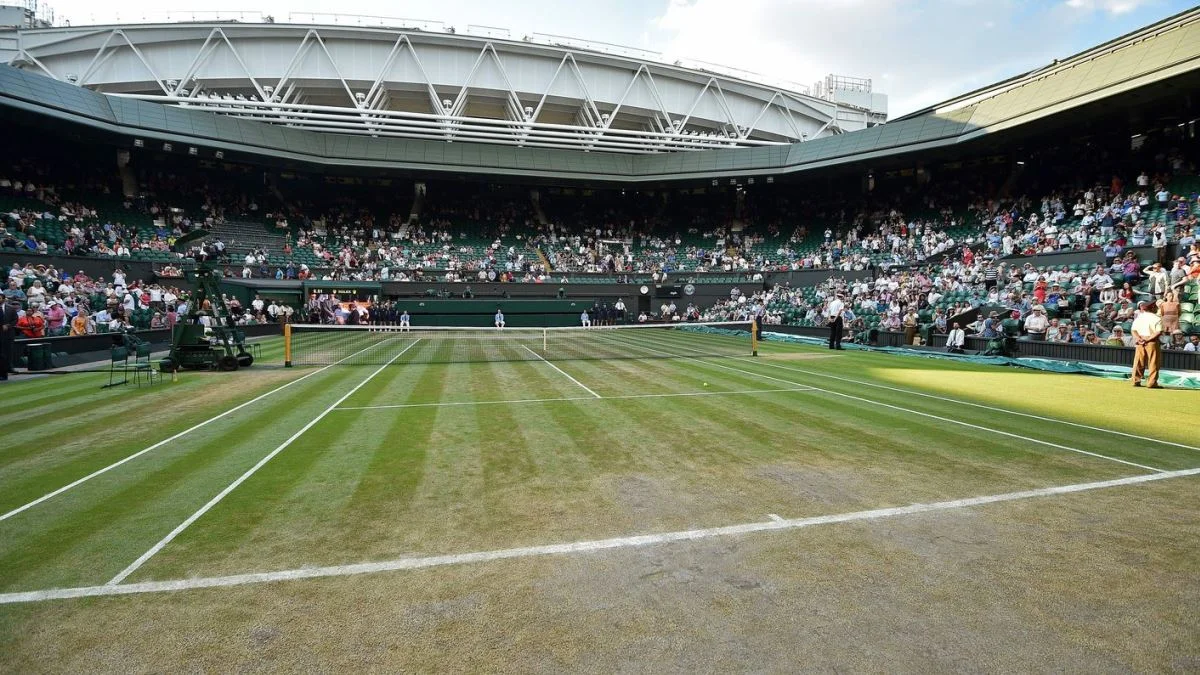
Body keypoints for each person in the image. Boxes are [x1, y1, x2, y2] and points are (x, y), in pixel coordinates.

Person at [1130, 300, 1163, 389]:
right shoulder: (1157, 318)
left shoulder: (1139, 318)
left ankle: (1135, 380)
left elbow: (1133, 330)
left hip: (1140, 341)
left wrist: (1138, 339)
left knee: (1138, 361)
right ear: (1152, 308)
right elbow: (1158, 332)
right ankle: (1152, 383)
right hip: (1151, 341)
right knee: (1153, 362)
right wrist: (1147, 339)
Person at [0, 298, 18, 380]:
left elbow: (15, 320)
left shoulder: (11, 308)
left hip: (8, 334)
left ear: (3, 299)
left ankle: (8, 368)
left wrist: (8, 325)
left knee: (8, 352)